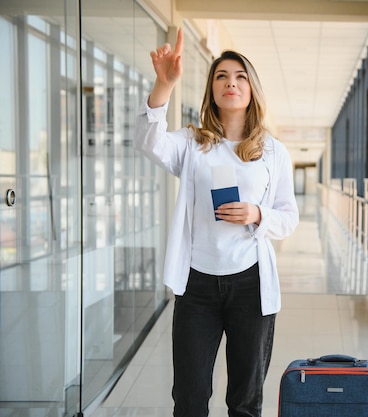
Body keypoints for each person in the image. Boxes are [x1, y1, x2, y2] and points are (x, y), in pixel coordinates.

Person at [134, 28, 299, 417]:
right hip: (198, 286)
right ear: (211, 89)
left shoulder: (273, 151)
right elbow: (147, 140)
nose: (231, 83)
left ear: (252, 88)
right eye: (222, 76)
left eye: (240, 76)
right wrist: (163, 84)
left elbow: (289, 217)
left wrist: (257, 214)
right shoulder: (193, 143)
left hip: (251, 283)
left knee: (245, 401)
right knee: (189, 400)